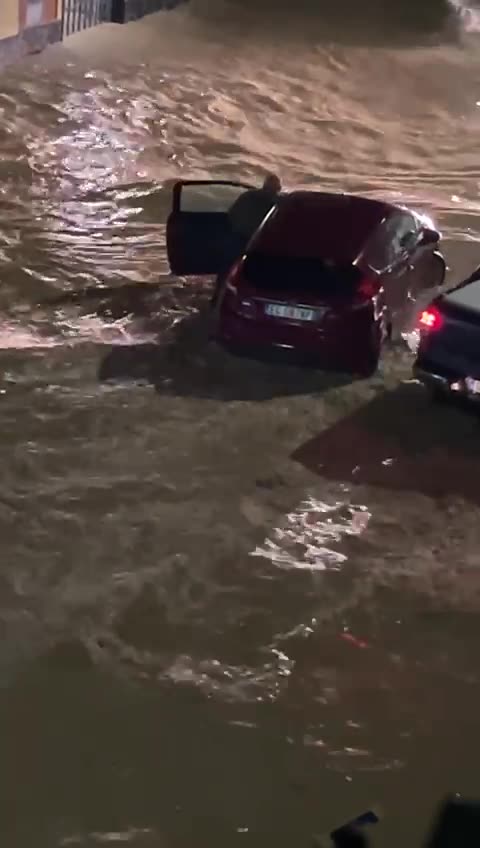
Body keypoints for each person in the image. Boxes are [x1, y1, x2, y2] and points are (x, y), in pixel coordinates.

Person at [211, 173, 282, 306]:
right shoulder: (277, 204)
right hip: (258, 246)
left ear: (264, 185)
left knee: (225, 271)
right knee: (252, 279)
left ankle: (217, 299)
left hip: (237, 239)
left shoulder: (247, 196)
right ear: (277, 189)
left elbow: (231, 215)